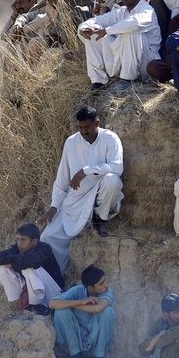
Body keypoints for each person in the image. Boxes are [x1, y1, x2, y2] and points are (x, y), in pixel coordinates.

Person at [37, 107, 124, 274]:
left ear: (97, 123)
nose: (84, 132)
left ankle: (100, 220)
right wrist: (54, 206)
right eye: (81, 128)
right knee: (48, 237)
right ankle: (55, 278)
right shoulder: (71, 142)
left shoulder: (110, 138)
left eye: (87, 127)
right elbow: (62, 177)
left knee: (112, 180)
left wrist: (86, 170)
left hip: (101, 190)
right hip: (76, 198)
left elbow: (117, 167)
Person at [76, 0, 161, 92]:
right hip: (125, 60)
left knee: (130, 31)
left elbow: (133, 23)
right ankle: (98, 81)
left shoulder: (147, 10)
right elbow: (97, 20)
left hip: (146, 62)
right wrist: (85, 28)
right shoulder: (120, 11)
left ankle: (127, 79)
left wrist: (107, 30)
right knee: (93, 33)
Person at [50, 265, 115, 358]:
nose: (106, 285)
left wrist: (72, 305)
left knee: (107, 311)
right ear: (90, 288)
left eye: (105, 281)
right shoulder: (78, 290)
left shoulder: (107, 292)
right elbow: (52, 303)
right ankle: (75, 354)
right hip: (77, 336)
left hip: (95, 336)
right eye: (101, 284)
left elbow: (98, 308)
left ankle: (99, 356)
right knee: (61, 312)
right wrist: (81, 301)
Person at [0, 223, 65, 314]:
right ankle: (22, 303)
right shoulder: (18, 249)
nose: (19, 243)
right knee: (0, 269)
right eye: (17, 239)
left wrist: (13, 263)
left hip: (53, 291)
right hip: (33, 291)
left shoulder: (44, 249)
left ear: (34, 241)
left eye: (23, 240)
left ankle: (36, 305)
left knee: (28, 269)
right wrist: (14, 260)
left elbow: (30, 261)